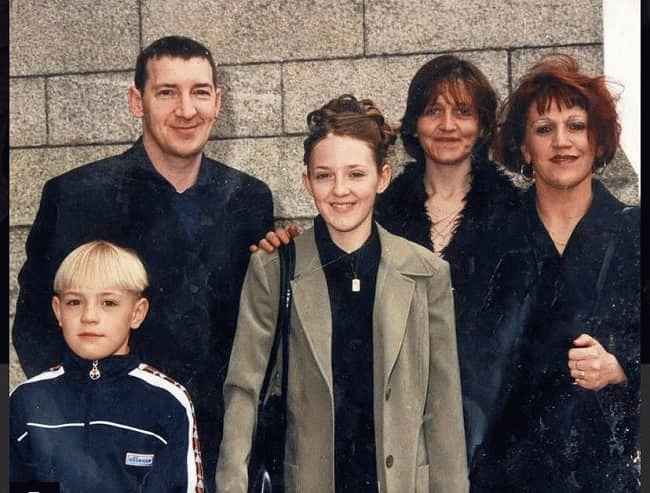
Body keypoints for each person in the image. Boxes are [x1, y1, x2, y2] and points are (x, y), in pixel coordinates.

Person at [12, 35, 273, 492]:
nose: (186, 110)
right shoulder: (77, 195)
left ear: (218, 102)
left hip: (221, 451)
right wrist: (84, 435)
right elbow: (35, 325)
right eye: (167, 92)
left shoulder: (249, 199)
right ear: (137, 101)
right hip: (111, 457)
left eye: (200, 92)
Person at [252, 55, 522, 468]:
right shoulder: (377, 209)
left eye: (463, 112)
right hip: (389, 430)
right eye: (433, 111)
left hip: (490, 425)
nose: (447, 125)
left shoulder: (515, 216)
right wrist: (286, 246)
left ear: (484, 125)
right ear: (414, 122)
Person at [216, 95, 468, 492]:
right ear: (307, 182)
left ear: (382, 177)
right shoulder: (274, 268)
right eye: (324, 176)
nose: (340, 190)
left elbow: (444, 408)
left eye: (355, 174)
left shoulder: (426, 273)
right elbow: (243, 392)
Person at [471, 54, 640, 492]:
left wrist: (622, 367)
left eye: (576, 126)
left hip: (607, 475)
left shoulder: (636, 232)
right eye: (544, 129)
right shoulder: (488, 238)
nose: (562, 142)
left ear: (598, 142)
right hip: (506, 477)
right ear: (525, 148)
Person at [10, 241, 204, 492]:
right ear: (58, 311)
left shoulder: (168, 401)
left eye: (109, 303)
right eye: (74, 302)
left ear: (137, 313)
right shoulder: (26, 400)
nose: (89, 316)